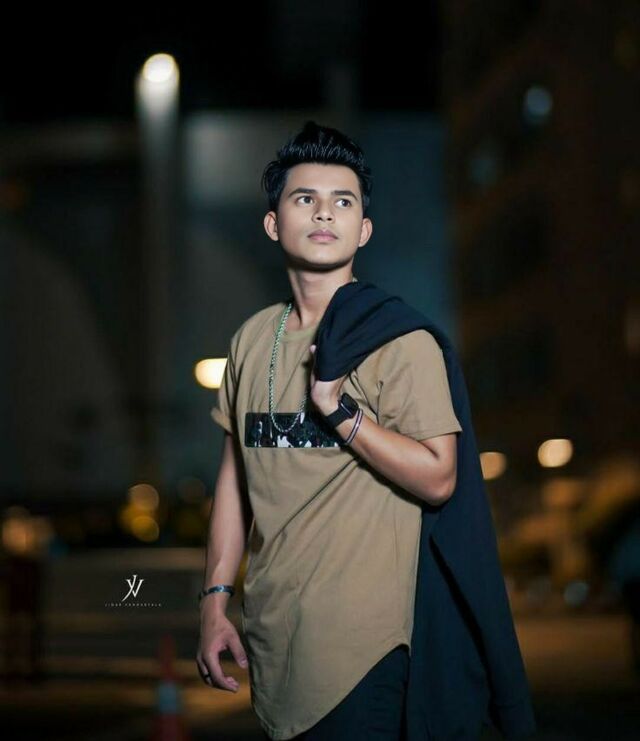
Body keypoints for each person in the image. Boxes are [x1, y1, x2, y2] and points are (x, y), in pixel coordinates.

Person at [196, 121, 467, 740]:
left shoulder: (399, 340)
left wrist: (339, 412)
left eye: (344, 202)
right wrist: (213, 602)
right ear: (273, 224)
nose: (325, 213)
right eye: (305, 198)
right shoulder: (250, 341)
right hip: (272, 646)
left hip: (366, 652)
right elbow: (233, 488)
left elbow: (440, 478)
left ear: (363, 229)